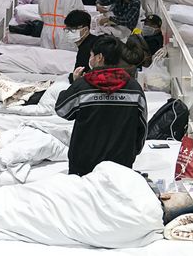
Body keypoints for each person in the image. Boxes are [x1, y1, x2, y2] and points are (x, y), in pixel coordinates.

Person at [55, 35, 147, 176]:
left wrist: (74, 83)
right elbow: (142, 127)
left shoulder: (82, 86)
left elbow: (62, 110)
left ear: (99, 58)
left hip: (83, 166)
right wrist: (132, 152)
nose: (90, 58)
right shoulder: (134, 88)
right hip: (121, 165)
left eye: (91, 55)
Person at [62, 9, 98, 77]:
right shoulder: (92, 41)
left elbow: (78, 75)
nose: (69, 32)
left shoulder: (86, 48)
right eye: (68, 29)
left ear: (86, 29)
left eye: (74, 29)